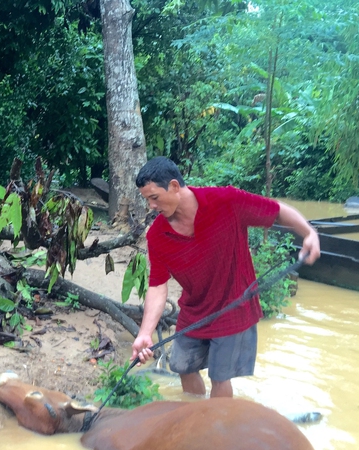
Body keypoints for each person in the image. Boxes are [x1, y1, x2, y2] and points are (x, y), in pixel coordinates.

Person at [130, 157, 320, 398]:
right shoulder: (158, 235)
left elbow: (278, 211)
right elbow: (157, 286)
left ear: (175, 186)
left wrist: (309, 233)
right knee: (182, 367)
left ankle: (219, 429)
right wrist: (145, 333)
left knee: (220, 378)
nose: (151, 206)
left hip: (234, 308)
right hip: (195, 311)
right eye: (147, 200)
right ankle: (196, 415)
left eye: (154, 198)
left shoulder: (226, 201)